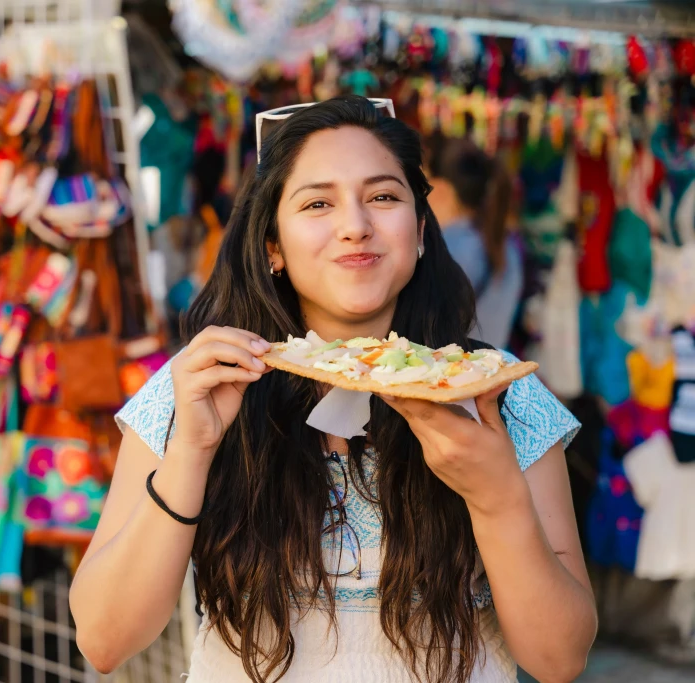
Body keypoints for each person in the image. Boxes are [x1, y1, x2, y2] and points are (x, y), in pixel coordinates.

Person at [69, 97, 595, 683]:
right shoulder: (198, 386)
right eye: (318, 202)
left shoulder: (496, 395)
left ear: (419, 231)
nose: (355, 225)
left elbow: (559, 659)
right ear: (272, 245)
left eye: (384, 197)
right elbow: (104, 640)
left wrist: (498, 498)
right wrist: (191, 453)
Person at [426, 136, 524, 350]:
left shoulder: (452, 248)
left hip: (454, 374)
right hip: (489, 371)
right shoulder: (504, 244)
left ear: (441, 189)